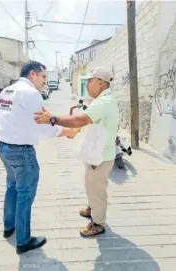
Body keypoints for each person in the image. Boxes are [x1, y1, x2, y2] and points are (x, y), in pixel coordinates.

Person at [0, 61, 75, 254]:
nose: (44, 82)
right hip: (21, 152)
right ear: (32, 74)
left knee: (12, 187)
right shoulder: (31, 94)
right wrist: (67, 132)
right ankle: (23, 241)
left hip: (3, 146)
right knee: (25, 194)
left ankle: (9, 227)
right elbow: (44, 125)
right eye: (43, 77)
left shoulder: (7, 91)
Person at [34, 67, 119, 237]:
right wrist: (74, 131)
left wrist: (53, 119)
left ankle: (98, 222)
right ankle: (93, 208)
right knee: (90, 183)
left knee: (97, 188)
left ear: (100, 83)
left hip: (100, 156)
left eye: (89, 81)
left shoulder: (104, 102)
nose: (86, 85)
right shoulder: (103, 100)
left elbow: (80, 119)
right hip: (96, 152)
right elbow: (89, 121)